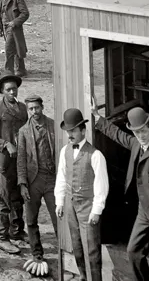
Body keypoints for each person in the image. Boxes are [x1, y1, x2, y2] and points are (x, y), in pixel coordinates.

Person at [94, 107, 149, 281]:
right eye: (136, 132)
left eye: (142, 131)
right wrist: (98, 119)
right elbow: (118, 135)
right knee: (133, 251)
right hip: (143, 210)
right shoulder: (135, 144)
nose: (140, 135)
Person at [55, 107, 109, 281]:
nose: (70, 135)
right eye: (67, 131)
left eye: (73, 131)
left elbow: (101, 185)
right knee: (77, 245)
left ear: (83, 130)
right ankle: (83, 276)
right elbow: (62, 177)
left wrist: (96, 210)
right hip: (71, 205)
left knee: (91, 249)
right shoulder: (65, 151)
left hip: (88, 207)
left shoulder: (96, 155)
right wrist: (60, 202)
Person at [0, 73, 29, 244]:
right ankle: (2, 235)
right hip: (4, 161)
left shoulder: (24, 109)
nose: (12, 92)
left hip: (21, 160)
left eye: (14, 89)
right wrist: (5, 144)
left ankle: (17, 230)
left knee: (19, 196)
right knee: (3, 197)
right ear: (2, 92)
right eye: (8, 90)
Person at [17, 95, 58, 269]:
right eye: (31, 109)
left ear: (42, 107)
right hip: (33, 180)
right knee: (31, 220)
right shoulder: (24, 131)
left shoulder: (53, 125)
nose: (34, 112)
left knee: (58, 217)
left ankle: (64, 252)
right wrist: (23, 183)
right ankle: (37, 254)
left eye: (37, 108)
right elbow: (21, 159)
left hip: (51, 179)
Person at [0, 0, 29, 77]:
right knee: (15, 48)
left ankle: (9, 71)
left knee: (9, 49)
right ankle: (21, 70)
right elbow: (1, 15)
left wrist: (14, 22)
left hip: (14, 28)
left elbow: (25, 13)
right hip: (5, 28)